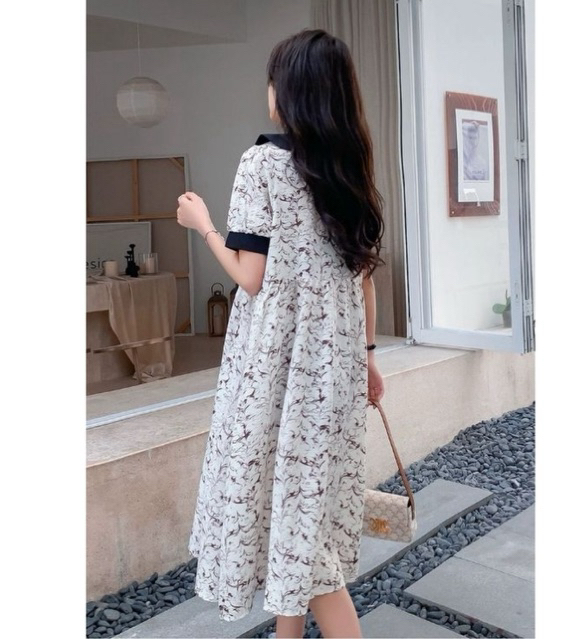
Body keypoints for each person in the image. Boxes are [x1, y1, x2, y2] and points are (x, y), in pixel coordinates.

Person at [176, 28, 385, 639]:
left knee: (302, 540)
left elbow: (250, 277)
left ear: (288, 90)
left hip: (276, 370)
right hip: (334, 372)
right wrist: (369, 359)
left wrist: (202, 225)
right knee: (301, 512)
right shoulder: (348, 168)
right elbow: (363, 280)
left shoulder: (262, 163)